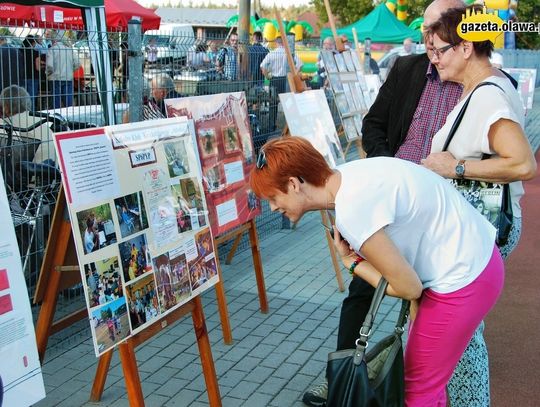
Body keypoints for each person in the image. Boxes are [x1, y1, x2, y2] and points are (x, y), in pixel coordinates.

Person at [303, 1, 495, 406]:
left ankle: (452, 387)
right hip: (387, 202)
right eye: (424, 30)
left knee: (441, 313)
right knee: (361, 291)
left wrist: (454, 171)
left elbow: (506, 161)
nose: (427, 40)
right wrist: (383, 170)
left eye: (435, 31)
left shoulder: (482, 83)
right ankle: (344, 374)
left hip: (438, 217)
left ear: (462, 38)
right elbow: (374, 124)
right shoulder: (408, 69)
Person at [251, 136, 505, 406]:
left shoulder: (351, 209)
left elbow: (409, 288)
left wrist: (353, 263)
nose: (273, 208)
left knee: (417, 391)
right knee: (427, 384)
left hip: (464, 278)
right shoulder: (347, 175)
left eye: (273, 197)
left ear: (293, 184)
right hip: (475, 263)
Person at [424, 6, 536, 261]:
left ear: (466, 47)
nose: (434, 59)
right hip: (473, 224)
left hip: (477, 225)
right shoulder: (484, 86)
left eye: (439, 51)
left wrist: (456, 168)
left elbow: (523, 165)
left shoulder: (488, 95)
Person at [0, 85, 55, 165]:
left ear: (6, 106)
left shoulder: (6, 123)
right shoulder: (39, 120)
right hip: (52, 170)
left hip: (29, 174)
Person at [260, 36, 302, 131]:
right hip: (287, 79)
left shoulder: (272, 53)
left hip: (274, 80)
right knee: (289, 103)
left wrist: (267, 76)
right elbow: (300, 64)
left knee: (273, 104)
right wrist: (294, 74)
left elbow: (262, 66)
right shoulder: (289, 53)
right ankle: (291, 125)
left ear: (276, 43)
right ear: (284, 43)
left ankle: (272, 126)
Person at [46, 32, 81, 108]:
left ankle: (56, 117)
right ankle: (69, 116)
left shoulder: (52, 49)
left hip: (55, 78)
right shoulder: (69, 50)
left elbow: (49, 65)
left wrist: (48, 73)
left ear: (54, 40)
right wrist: (71, 70)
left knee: (56, 101)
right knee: (68, 101)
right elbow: (78, 63)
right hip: (68, 77)